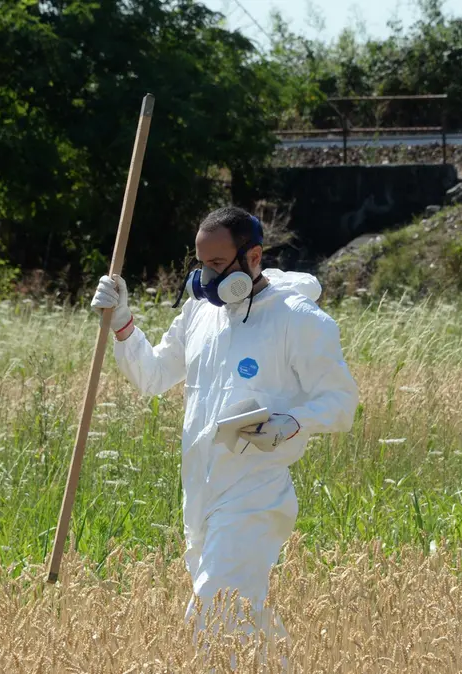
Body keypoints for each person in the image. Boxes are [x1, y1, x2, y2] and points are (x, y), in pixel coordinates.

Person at [90, 206, 359, 640]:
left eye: (217, 265)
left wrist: (291, 421)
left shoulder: (299, 318)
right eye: (201, 265)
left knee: (213, 611)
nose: (208, 279)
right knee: (239, 623)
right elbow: (154, 376)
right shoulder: (200, 312)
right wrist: (121, 322)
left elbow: (342, 403)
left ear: (254, 257)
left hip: (255, 492)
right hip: (199, 492)